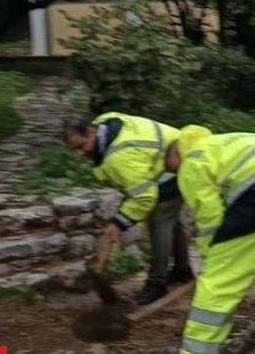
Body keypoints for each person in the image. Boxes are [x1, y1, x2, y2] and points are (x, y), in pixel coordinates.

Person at [160, 125, 255, 354]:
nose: (174, 172)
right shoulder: (236, 140)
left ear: (174, 155)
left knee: (220, 281)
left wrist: (211, 257)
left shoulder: (192, 162)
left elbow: (210, 218)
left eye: (171, 168)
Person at [63, 112, 193, 305]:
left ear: (91, 132)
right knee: (171, 221)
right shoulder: (105, 122)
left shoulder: (120, 157)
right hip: (179, 152)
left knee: (160, 223)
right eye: (74, 150)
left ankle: (156, 284)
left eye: (81, 146)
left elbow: (145, 196)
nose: (80, 154)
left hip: (175, 165)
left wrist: (119, 223)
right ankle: (182, 271)